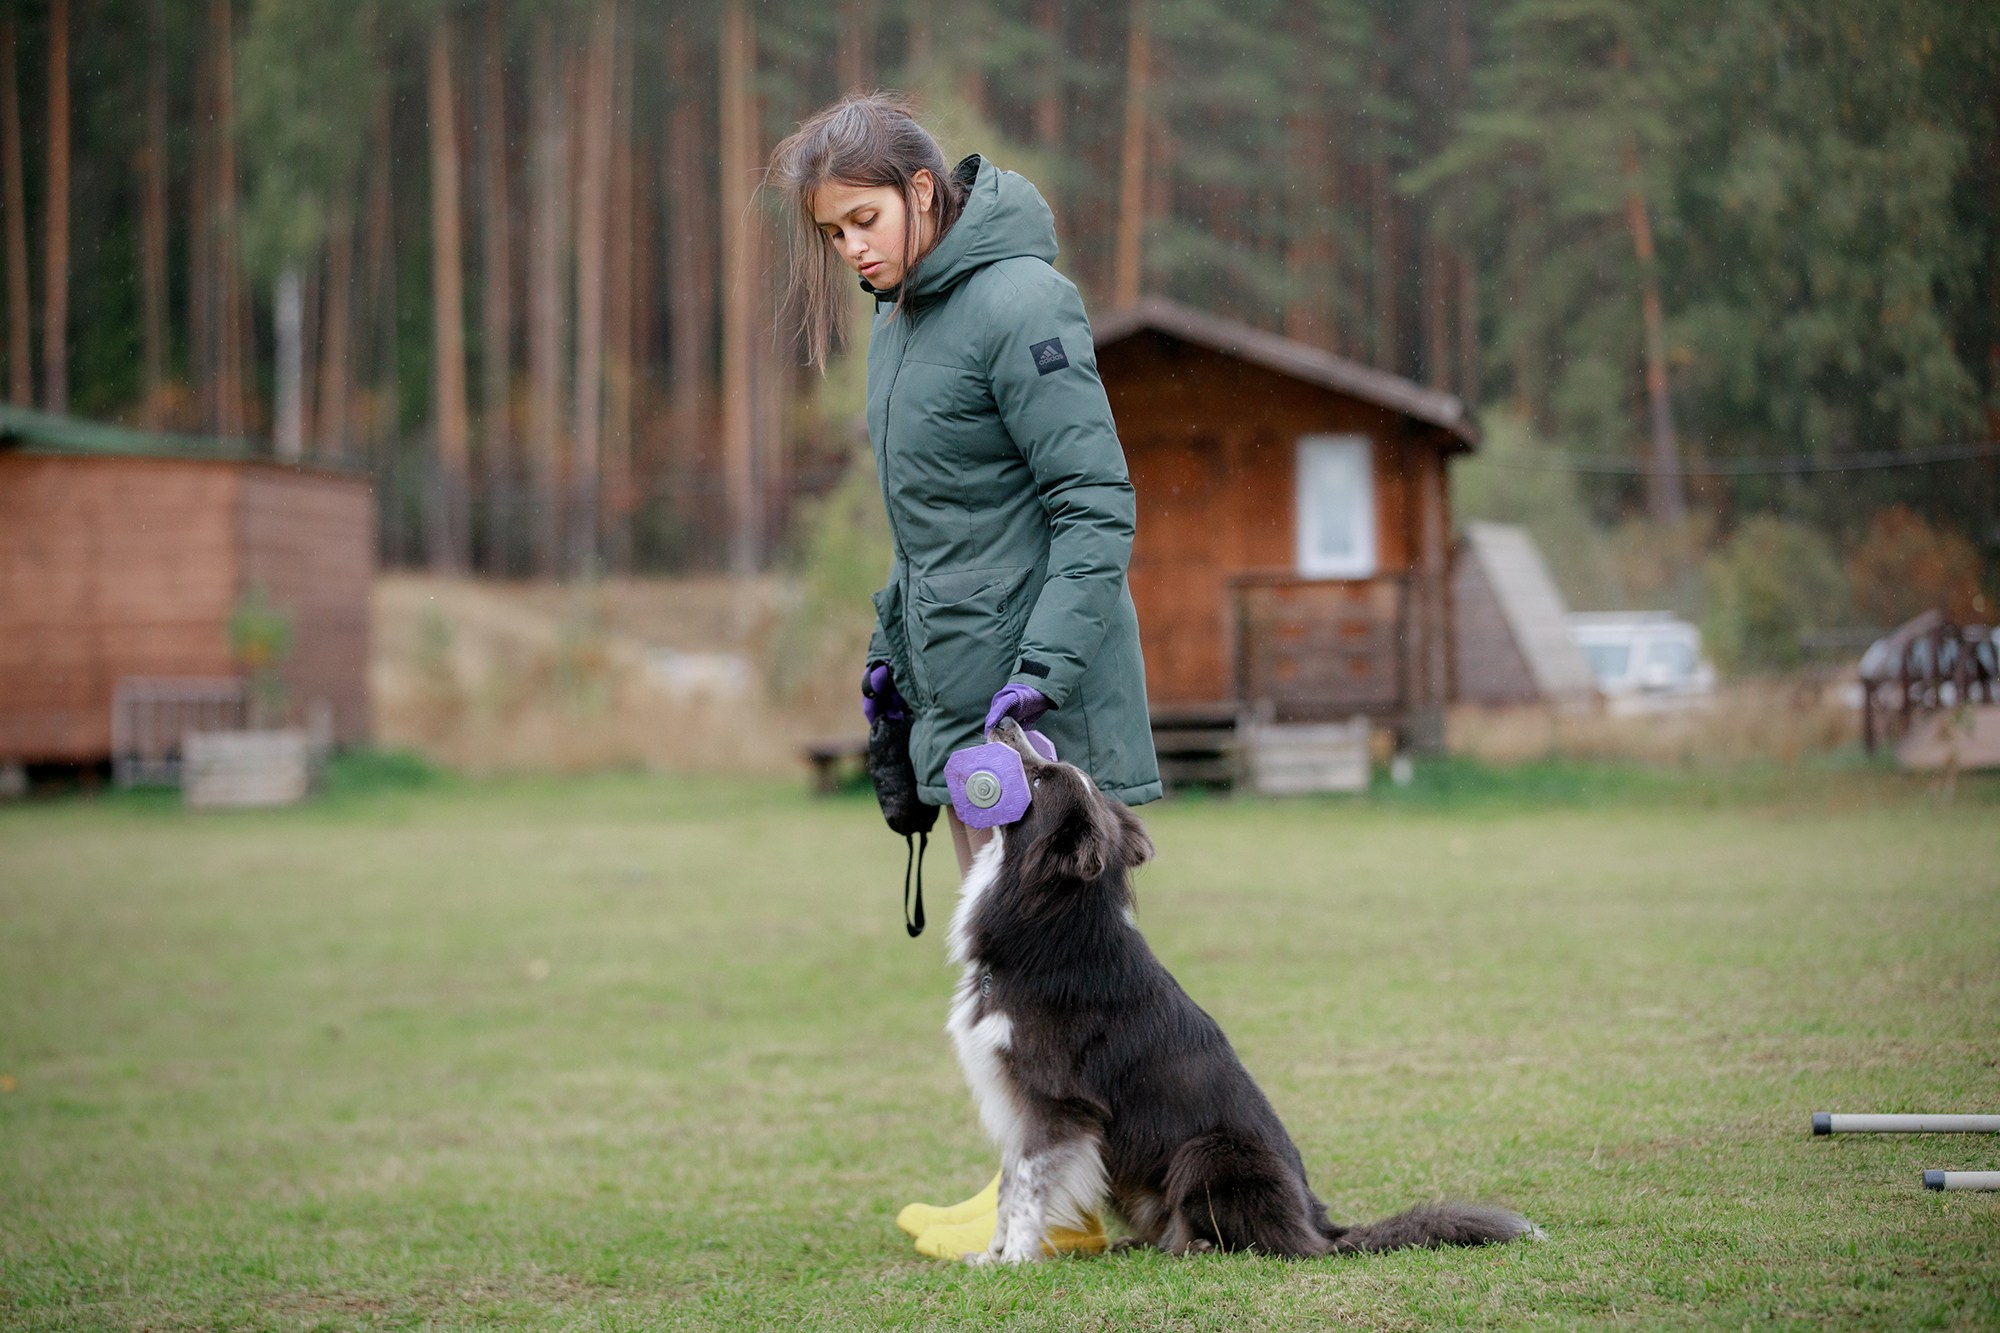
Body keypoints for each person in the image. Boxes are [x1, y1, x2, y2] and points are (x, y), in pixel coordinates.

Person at [769, 92, 1162, 1260]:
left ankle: (1068, 1203)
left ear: (923, 190)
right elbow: (931, 533)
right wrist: (890, 658)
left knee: (1067, 980)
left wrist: (1039, 674)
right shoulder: (901, 322)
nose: (851, 248)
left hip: (1039, 710)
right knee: (1013, 986)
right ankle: (1043, 1189)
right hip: (956, 701)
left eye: (863, 220)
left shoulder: (1021, 303)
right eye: (833, 234)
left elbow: (1094, 504)